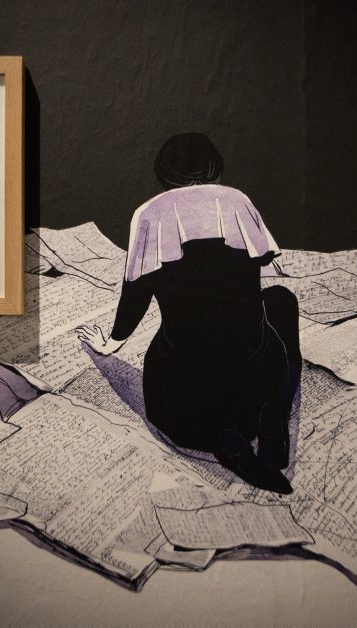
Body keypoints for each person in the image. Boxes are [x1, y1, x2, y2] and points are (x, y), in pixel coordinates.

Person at [76, 133, 300, 494]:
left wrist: (111, 342)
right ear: (215, 168)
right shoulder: (237, 201)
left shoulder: (148, 215)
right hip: (254, 385)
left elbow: (135, 296)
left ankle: (225, 440)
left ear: (164, 173)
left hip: (178, 401)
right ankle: (274, 412)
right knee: (280, 299)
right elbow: (261, 260)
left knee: (187, 345)